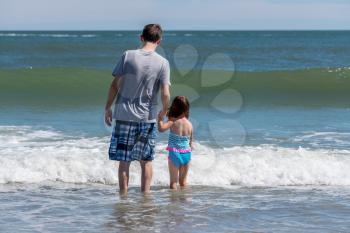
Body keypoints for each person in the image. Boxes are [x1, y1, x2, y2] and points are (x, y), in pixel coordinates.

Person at [105, 24, 171, 194]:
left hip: (124, 114)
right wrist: (164, 111)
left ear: (141, 38)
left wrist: (107, 108)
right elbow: (165, 93)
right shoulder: (163, 63)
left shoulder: (127, 56)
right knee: (146, 160)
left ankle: (124, 198)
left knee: (124, 160)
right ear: (159, 41)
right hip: (147, 118)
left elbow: (114, 85)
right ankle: (145, 197)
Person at [157, 96, 193, 190]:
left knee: (173, 182)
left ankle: (174, 204)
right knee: (183, 182)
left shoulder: (173, 121)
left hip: (175, 154)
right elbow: (191, 144)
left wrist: (160, 119)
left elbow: (161, 129)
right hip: (187, 155)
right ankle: (184, 202)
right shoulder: (189, 124)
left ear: (174, 107)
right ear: (186, 109)